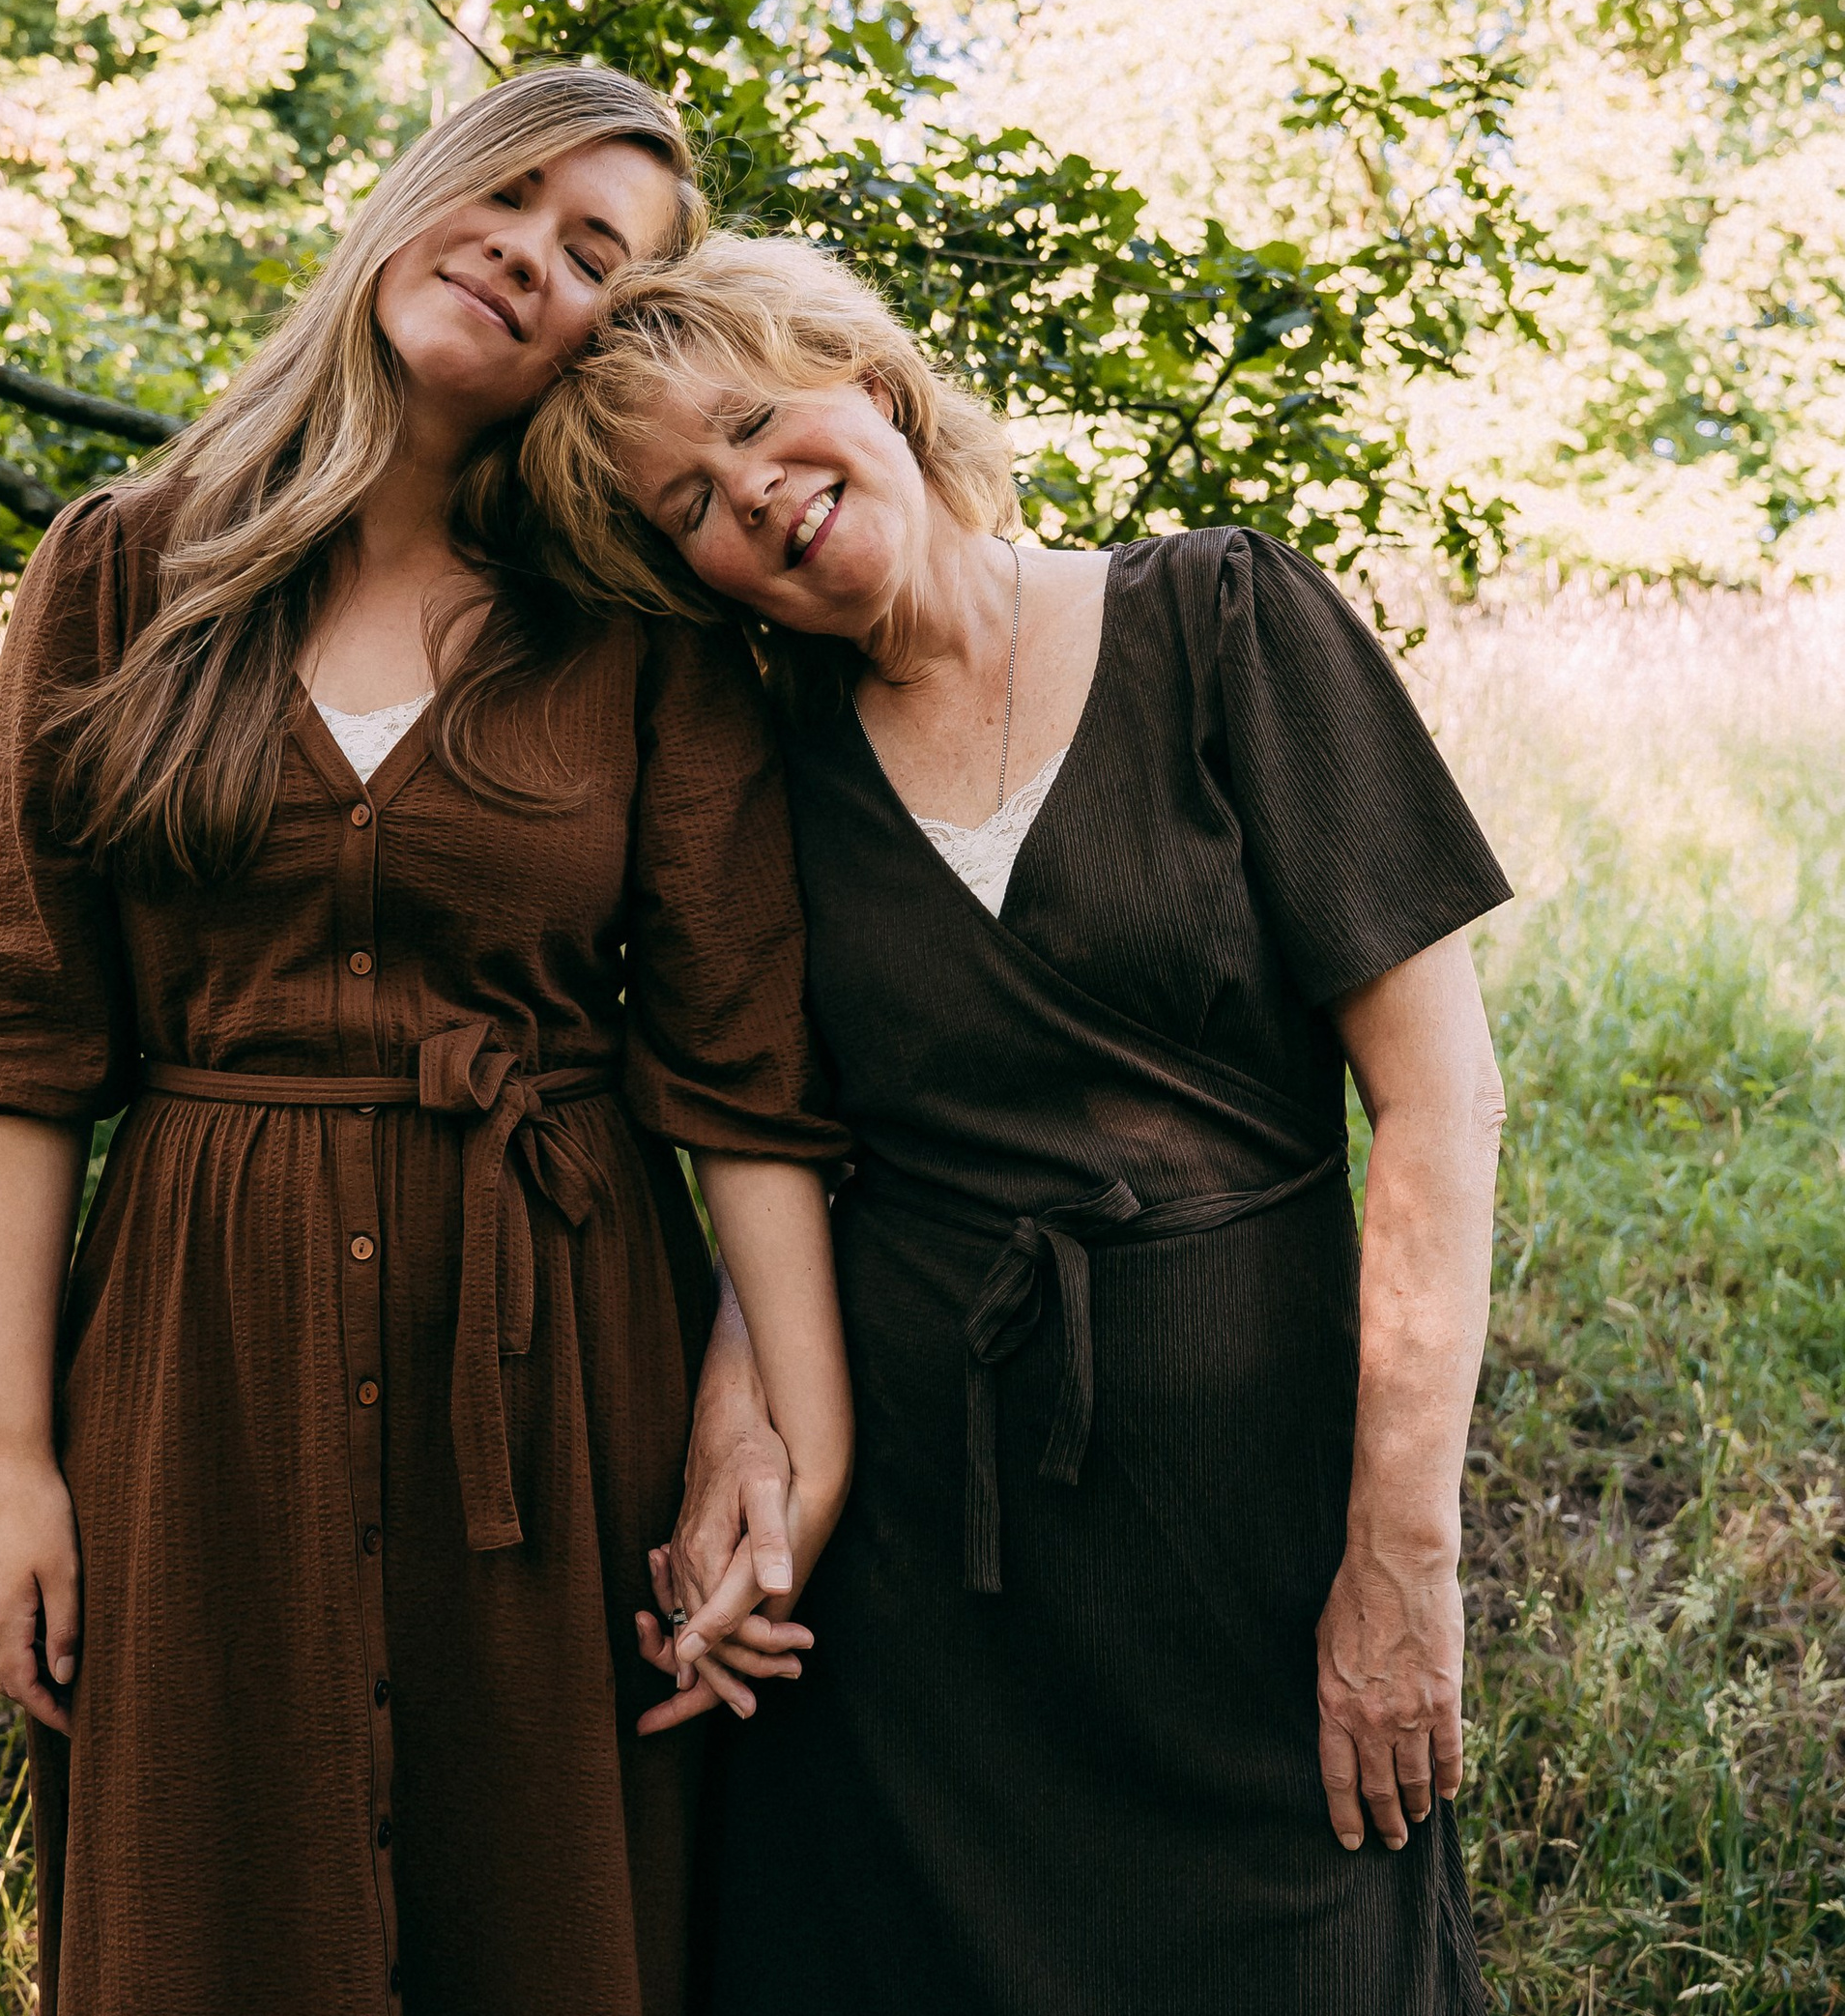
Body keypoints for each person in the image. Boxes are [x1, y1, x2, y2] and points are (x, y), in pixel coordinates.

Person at [0, 78, 853, 2016]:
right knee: (205, 1900)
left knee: (545, 1908)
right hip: (196, 1366)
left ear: (621, 340)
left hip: (555, 1355)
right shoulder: (124, 567)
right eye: (510, 194)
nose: (532, 251)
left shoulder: (637, 626)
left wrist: (787, 1436)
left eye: (598, 252)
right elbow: (19, 1041)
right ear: (417, 198)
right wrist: (13, 1460)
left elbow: (745, 1075)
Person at [520, 231, 1512, 2015]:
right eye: (687, 507)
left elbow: (1438, 1101)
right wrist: (740, 1426)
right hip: (921, 1573)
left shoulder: (1221, 620)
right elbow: (784, 1153)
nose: (753, 495)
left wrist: (1401, 1561)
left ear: (873, 384)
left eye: (758, 421)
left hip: (1250, 1537)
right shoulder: (767, 770)